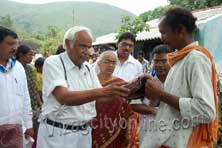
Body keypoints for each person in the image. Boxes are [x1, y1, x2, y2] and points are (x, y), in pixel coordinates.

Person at [36, 26, 129, 148]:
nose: (87, 51)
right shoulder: (54, 62)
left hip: (84, 134)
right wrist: (105, 91)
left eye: (89, 47)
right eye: (82, 46)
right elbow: (64, 97)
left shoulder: (87, 67)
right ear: (68, 44)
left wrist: (121, 94)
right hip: (58, 134)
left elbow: (99, 98)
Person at [141, 7, 218, 148]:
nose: (161, 38)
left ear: (180, 30)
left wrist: (161, 94)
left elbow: (205, 111)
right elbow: (178, 93)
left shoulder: (196, 59)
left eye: (164, 33)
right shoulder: (180, 60)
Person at [0, 27, 33, 148]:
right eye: (9, 44)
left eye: (15, 44)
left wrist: (28, 124)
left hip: (17, 129)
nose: (14, 48)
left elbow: (25, 97)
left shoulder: (18, 67)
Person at [92, 50, 132, 148]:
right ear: (99, 63)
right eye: (107, 61)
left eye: (113, 63)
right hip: (92, 127)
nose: (110, 65)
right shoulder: (90, 81)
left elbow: (126, 109)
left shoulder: (120, 83)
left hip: (115, 129)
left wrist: (126, 129)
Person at [113, 32, 143, 148]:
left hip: (127, 110)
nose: (127, 48)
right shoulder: (106, 60)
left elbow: (139, 90)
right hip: (106, 109)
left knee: (126, 142)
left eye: (130, 46)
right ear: (117, 44)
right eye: (124, 44)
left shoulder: (136, 65)